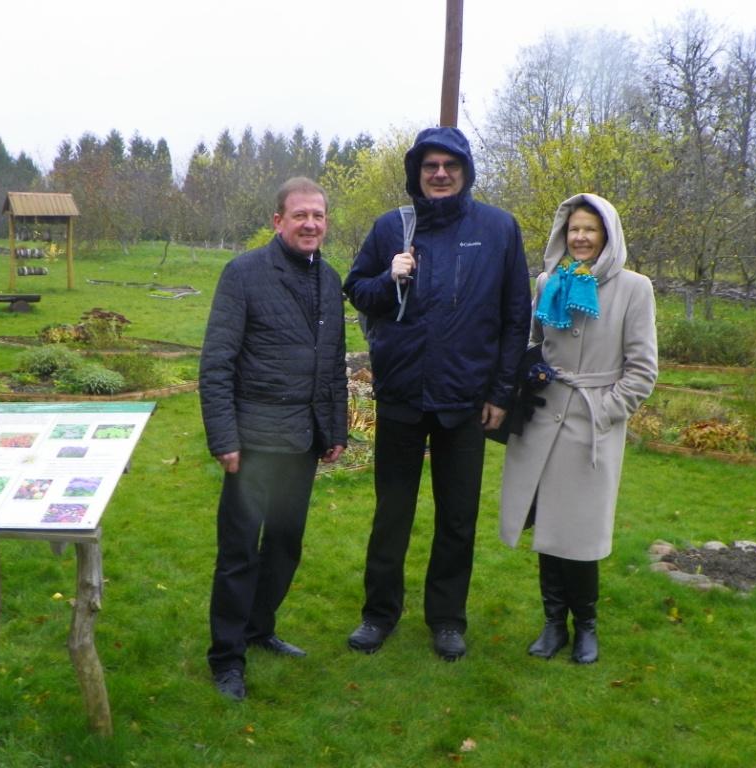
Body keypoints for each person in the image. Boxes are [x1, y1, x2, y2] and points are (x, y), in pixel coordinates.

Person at [343, 126, 531, 661]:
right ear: (416, 173)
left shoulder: (498, 229)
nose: (441, 174)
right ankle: (379, 614)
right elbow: (357, 290)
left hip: (466, 399)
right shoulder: (391, 228)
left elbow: (515, 316)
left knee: (457, 517)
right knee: (392, 513)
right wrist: (389, 277)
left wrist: (501, 392)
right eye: (430, 166)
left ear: (466, 171)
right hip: (402, 394)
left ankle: (447, 619)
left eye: (451, 165)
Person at [199, 177, 348, 700]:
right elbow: (216, 363)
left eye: (318, 216)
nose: (310, 224)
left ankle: (259, 628)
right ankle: (226, 658)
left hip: (302, 442)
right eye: (300, 215)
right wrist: (224, 438)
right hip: (253, 444)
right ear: (278, 220)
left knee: (285, 546)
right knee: (239, 552)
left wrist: (335, 429)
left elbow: (333, 362)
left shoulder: (329, 279)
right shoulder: (243, 274)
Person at [499, 193, 658, 664]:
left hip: (592, 426)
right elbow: (534, 340)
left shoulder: (634, 288)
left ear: (607, 234)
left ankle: (585, 626)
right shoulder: (549, 281)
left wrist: (605, 411)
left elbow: (643, 370)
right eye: (574, 229)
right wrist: (530, 369)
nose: (581, 237)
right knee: (548, 529)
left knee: (581, 533)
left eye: (590, 229)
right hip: (543, 421)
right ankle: (553, 624)